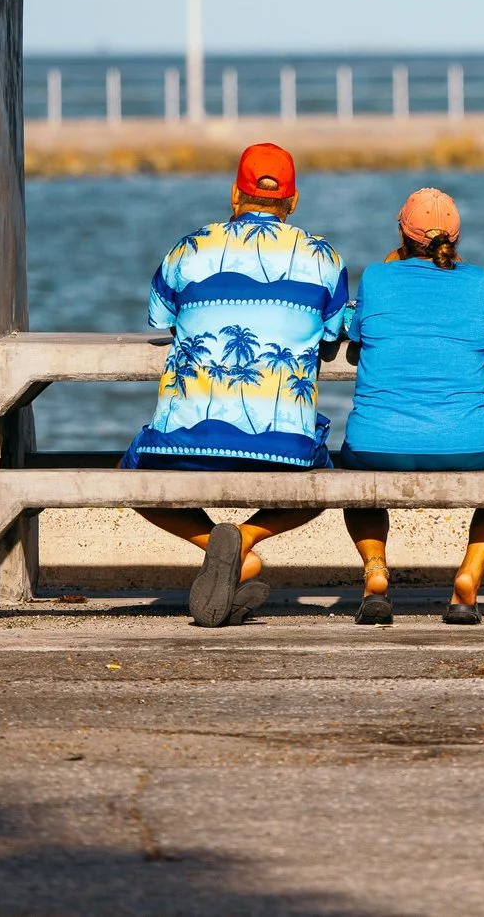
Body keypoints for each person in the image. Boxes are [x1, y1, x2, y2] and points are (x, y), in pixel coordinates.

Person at [123, 143, 349, 627]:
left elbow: (159, 315)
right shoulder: (323, 257)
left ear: (234, 194)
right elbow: (333, 331)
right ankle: (243, 542)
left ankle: (215, 544)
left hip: (180, 446)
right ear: (293, 201)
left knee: (131, 475)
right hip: (284, 451)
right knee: (330, 481)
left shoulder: (187, 248)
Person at [338, 187, 484, 626]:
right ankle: (468, 580)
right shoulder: (477, 280)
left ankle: (375, 575)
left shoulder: (378, 276)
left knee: (357, 467)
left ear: (401, 234)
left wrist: (388, 269)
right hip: (472, 444)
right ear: (455, 238)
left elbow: (355, 326)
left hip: (376, 445)